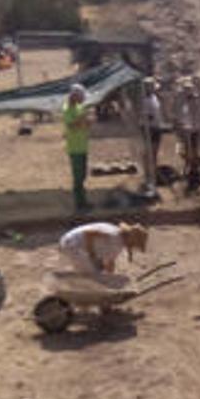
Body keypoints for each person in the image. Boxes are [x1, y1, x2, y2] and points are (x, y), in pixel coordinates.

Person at [59, 222, 148, 274]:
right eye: (134, 244)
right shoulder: (113, 236)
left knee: (98, 269)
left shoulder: (118, 236)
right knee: (93, 276)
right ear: (130, 239)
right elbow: (89, 233)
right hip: (71, 245)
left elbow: (110, 262)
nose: (132, 247)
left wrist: (111, 280)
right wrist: (91, 252)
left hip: (72, 242)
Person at [63, 84, 92, 212]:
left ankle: (83, 201)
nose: (83, 99)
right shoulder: (67, 109)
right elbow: (71, 126)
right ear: (74, 96)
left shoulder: (80, 107)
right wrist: (82, 118)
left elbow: (83, 125)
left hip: (83, 146)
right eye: (81, 96)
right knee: (78, 177)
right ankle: (79, 204)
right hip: (75, 148)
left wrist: (88, 121)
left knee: (83, 175)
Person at [176, 80, 200, 191]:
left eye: (187, 90)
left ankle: (193, 174)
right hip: (189, 130)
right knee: (189, 152)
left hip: (191, 131)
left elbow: (193, 119)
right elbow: (185, 117)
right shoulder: (187, 103)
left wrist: (187, 129)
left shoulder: (193, 103)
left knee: (191, 152)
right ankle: (191, 172)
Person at [141, 77, 165, 184]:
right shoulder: (145, 100)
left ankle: (153, 173)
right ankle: (149, 175)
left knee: (154, 152)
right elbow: (147, 116)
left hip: (155, 127)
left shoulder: (153, 98)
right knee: (149, 152)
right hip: (150, 128)